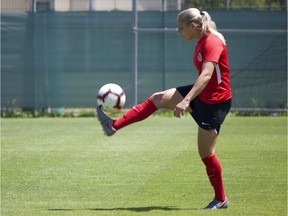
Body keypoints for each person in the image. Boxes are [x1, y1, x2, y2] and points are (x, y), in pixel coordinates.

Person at [96, 8, 232, 210]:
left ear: (194, 26)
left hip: (214, 103)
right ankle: (113, 125)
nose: (179, 31)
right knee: (158, 98)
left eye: (181, 27)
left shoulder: (211, 42)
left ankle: (221, 199)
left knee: (206, 153)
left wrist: (186, 101)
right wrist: (189, 99)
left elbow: (205, 76)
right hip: (203, 95)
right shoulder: (201, 41)